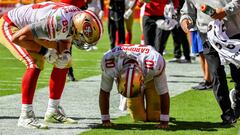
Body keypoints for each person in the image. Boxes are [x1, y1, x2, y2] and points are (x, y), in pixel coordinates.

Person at [0, 1, 103, 129]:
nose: (81, 41)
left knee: (64, 61)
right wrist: (45, 51)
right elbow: (19, 38)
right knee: (35, 62)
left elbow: (66, 38)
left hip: (35, 29)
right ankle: (25, 116)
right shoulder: (58, 22)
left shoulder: (76, 19)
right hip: (12, 26)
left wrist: (64, 52)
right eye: (82, 37)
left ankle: (52, 111)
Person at [180, 0, 240, 125]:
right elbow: (187, 10)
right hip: (207, 35)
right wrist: (185, 20)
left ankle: (237, 99)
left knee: (238, 74)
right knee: (216, 74)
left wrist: (224, 11)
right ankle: (227, 114)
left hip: (233, 33)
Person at [99, 44, 170, 129]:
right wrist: (105, 119)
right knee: (139, 118)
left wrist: (164, 121)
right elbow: (104, 91)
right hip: (135, 76)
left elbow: (163, 92)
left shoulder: (154, 62)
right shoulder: (110, 60)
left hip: (151, 78)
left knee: (154, 117)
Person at [60, 0, 93, 81]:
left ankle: (68, 72)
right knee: (65, 47)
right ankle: (68, 72)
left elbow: (86, 4)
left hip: (74, 16)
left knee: (67, 47)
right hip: (64, 16)